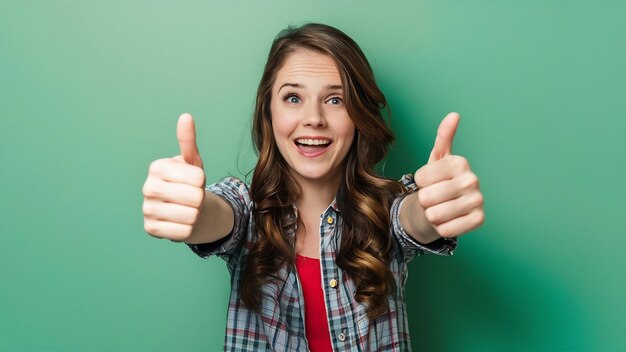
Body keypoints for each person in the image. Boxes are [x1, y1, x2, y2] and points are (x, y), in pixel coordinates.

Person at [142, 23, 484, 352]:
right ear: (269, 112)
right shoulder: (246, 210)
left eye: (335, 100)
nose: (314, 118)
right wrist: (194, 209)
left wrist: (432, 207)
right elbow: (218, 214)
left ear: (358, 116)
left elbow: (412, 217)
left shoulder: (386, 207)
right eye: (293, 98)